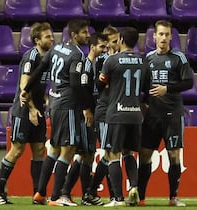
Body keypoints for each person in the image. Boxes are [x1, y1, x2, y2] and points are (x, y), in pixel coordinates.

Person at [22, 19, 90, 206]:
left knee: (54, 149)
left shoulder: (57, 48)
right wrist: (86, 107)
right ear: (75, 35)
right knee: (68, 150)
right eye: (84, 32)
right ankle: (57, 196)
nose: (88, 35)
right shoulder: (77, 55)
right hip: (68, 105)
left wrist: (26, 89)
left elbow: (40, 69)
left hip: (54, 103)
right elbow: (76, 84)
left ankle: (40, 193)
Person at [0, 22, 54, 205]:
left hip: (38, 108)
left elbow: (38, 85)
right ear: (37, 40)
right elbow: (24, 85)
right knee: (17, 150)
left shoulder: (49, 58)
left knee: (39, 151)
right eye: (47, 37)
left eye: (51, 36)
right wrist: (32, 109)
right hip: (24, 110)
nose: (52, 39)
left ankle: (38, 194)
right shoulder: (31, 57)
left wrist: (46, 99)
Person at [137, 20, 193, 207]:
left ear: (171, 36)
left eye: (167, 34)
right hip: (152, 116)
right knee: (145, 155)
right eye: (160, 34)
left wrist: (166, 89)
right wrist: (143, 105)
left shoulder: (179, 58)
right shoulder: (148, 58)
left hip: (172, 115)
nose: (163, 38)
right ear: (154, 36)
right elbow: (143, 86)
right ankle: (141, 197)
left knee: (174, 156)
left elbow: (188, 83)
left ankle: (173, 197)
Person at [98, 27, 150, 207]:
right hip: (135, 114)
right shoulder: (144, 61)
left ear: (120, 40)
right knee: (129, 153)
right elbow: (148, 90)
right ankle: (134, 187)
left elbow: (99, 85)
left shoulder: (112, 60)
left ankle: (118, 198)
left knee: (113, 154)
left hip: (116, 113)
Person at [59, 32, 108, 206]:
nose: (104, 50)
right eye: (102, 46)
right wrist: (88, 110)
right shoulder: (86, 65)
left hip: (90, 113)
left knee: (85, 154)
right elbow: (83, 90)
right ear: (93, 47)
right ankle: (73, 193)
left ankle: (81, 194)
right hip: (85, 114)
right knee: (86, 154)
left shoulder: (96, 65)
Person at [83, 25, 120, 204]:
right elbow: (95, 85)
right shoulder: (103, 60)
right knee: (109, 152)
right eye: (112, 42)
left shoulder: (116, 58)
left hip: (114, 110)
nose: (116, 44)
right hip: (103, 109)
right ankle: (94, 192)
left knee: (109, 153)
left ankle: (95, 192)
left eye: (116, 41)